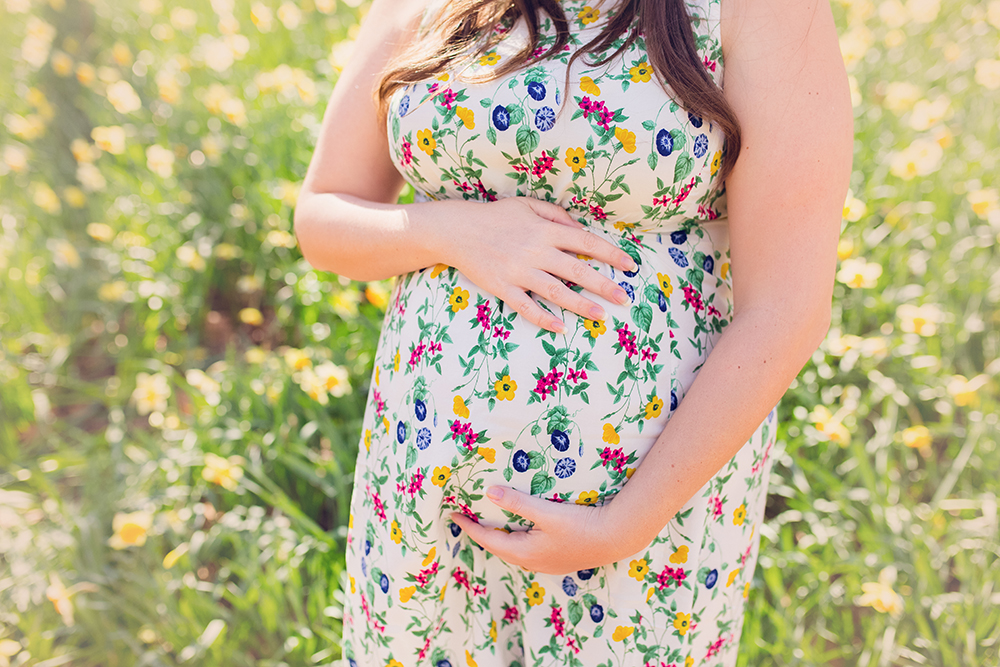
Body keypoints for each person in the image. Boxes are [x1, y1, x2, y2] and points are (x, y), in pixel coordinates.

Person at [294, 0, 852, 663]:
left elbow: (788, 307)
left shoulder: (761, 12)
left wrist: (624, 524)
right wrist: (453, 230)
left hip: (644, 515)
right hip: (422, 489)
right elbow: (322, 216)